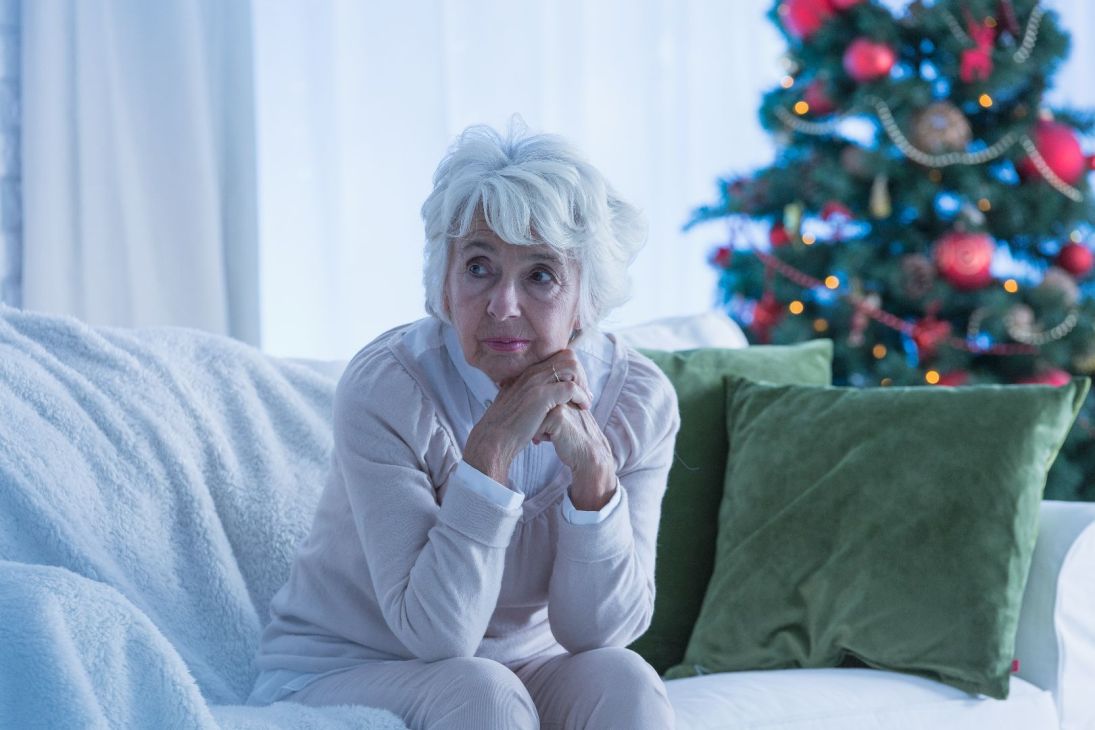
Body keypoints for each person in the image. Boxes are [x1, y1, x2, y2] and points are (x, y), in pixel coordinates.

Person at [249, 121, 680, 729]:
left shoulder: (638, 401)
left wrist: (594, 476)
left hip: (522, 674)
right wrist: (491, 453)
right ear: (444, 284)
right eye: (478, 267)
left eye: (539, 274)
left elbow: (600, 633)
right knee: (477, 690)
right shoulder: (390, 389)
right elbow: (438, 635)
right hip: (348, 670)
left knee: (625, 678)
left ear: (587, 296)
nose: (503, 305)